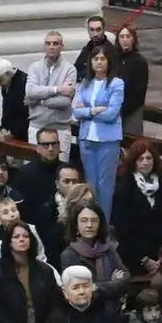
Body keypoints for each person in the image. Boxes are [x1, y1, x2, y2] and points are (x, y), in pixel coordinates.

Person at [71, 41, 126, 206]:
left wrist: (87, 111)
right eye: (96, 59)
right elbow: (76, 111)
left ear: (108, 61)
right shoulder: (85, 83)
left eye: (102, 58)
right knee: (90, 184)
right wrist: (94, 110)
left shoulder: (116, 83)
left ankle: (104, 224)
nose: (99, 62)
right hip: (86, 138)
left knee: (105, 185)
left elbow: (111, 114)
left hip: (107, 140)